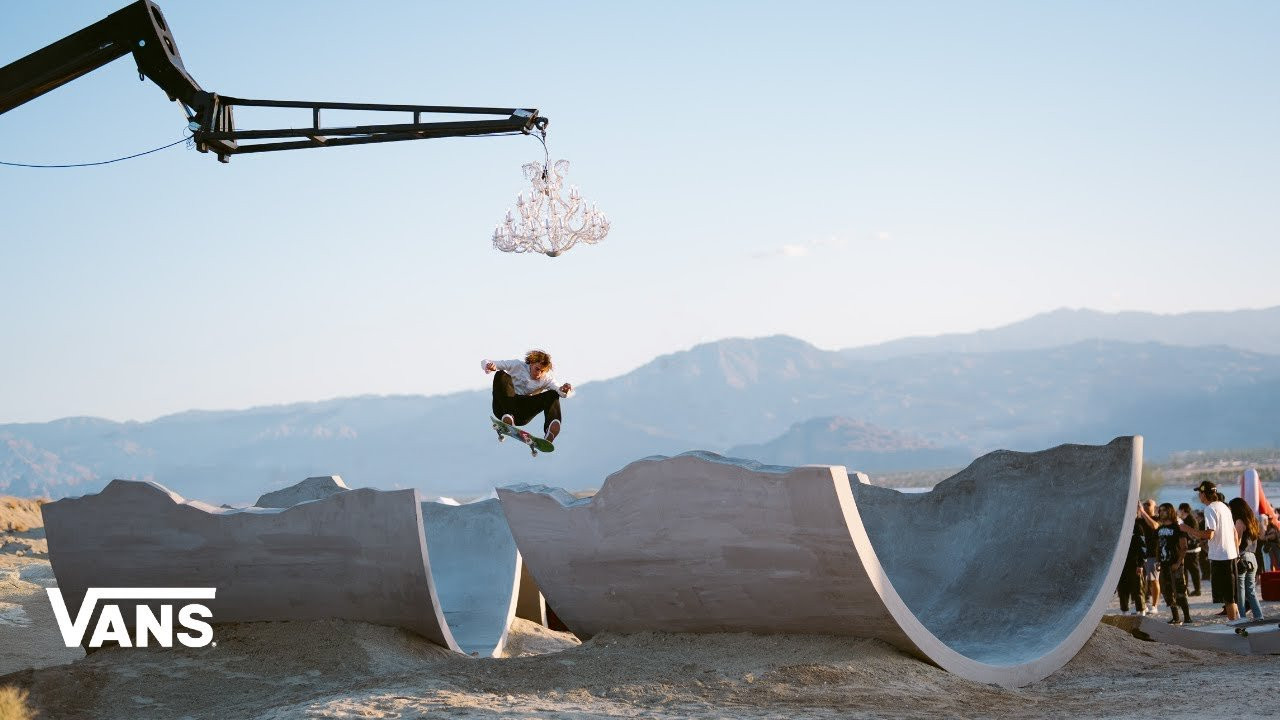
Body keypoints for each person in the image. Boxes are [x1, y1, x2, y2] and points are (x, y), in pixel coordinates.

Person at [482, 350, 574, 443]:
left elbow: (559, 390)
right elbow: (486, 361)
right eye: (537, 369)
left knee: (552, 394)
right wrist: (489, 366)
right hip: (501, 409)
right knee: (501, 374)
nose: (539, 373)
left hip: (522, 414)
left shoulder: (547, 379)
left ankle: (550, 430)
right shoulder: (517, 365)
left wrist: (564, 390)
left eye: (542, 371)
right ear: (531, 363)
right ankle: (508, 417)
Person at [1181, 480, 1239, 621]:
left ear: (1204, 494)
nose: (1199, 496)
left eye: (1199, 493)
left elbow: (1209, 534)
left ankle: (1235, 626)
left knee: (1228, 598)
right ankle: (1238, 622)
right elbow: (1234, 533)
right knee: (1231, 596)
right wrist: (1236, 553)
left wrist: (1187, 529)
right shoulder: (1224, 507)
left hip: (1221, 557)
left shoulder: (1210, 509)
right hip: (1230, 555)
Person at [1154, 502, 1192, 624]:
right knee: (1167, 592)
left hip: (1176, 565)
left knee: (1180, 591)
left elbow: (1184, 547)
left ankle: (1187, 617)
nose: (1161, 512)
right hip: (1164, 564)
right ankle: (1175, 617)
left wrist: (1178, 562)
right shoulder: (1159, 529)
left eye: (1164, 510)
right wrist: (1158, 561)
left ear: (1170, 511)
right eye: (1160, 510)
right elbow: (1158, 545)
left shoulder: (1178, 528)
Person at [1229, 497, 1265, 622]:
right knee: (1251, 591)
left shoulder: (1239, 521)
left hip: (1242, 557)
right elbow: (1261, 536)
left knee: (1240, 592)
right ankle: (1259, 616)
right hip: (1253, 557)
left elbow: (1237, 542)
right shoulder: (1254, 520)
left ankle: (1243, 618)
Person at [1117, 513, 1148, 615]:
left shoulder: (1137, 527)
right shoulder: (1119, 526)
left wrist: (1140, 564)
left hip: (1135, 564)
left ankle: (1141, 611)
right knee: (1122, 589)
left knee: (1138, 588)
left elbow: (1143, 546)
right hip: (1121, 564)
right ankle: (1124, 611)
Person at [1138, 499, 1161, 613]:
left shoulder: (1158, 518)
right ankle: (1143, 605)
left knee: (1154, 580)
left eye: (1148, 504)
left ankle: (1154, 606)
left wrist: (1143, 512)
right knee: (1141, 581)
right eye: (1144, 504)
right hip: (1141, 555)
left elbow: (1154, 526)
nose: (1146, 506)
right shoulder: (1140, 520)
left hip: (1153, 554)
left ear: (1154, 507)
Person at [1178, 502, 1203, 596]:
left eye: (1179, 510)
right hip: (1187, 550)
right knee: (1185, 570)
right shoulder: (1185, 520)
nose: (1178, 512)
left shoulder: (1191, 520)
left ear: (1183, 510)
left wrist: (1185, 529)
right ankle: (1186, 589)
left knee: (1194, 570)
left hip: (1193, 549)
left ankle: (1197, 590)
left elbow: (1194, 535)